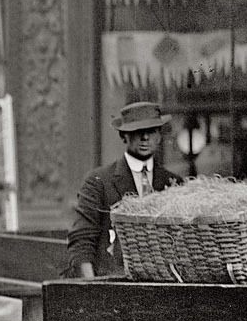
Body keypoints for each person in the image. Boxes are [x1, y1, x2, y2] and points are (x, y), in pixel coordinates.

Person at [66, 101, 184, 278]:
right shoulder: (99, 181)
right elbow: (82, 243)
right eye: (137, 132)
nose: (145, 138)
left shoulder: (173, 183)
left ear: (159, 136)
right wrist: (92, 289)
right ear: (124, 136)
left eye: (151, 131)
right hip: (114, 284)